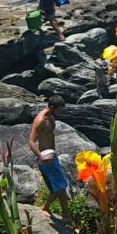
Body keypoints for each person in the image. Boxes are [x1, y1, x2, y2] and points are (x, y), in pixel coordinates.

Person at [29, 95, 72, 224]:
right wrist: (41, 156)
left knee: (59, 188)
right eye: (59, 110)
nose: (60, 113)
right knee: (61, 187)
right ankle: (56, 212)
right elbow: (31, 142)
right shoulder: (40, 120)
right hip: (46, 160)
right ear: (52, 107)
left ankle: (57, 212)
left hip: (53, 157)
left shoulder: (51, 117)